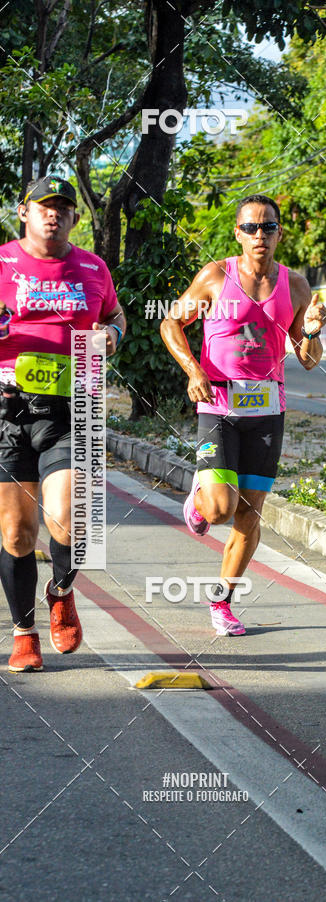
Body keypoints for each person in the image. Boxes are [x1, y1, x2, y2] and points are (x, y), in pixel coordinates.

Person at [160, 193, 326, 636]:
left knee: (249, 515)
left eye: (268, 227)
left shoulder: (295, 286)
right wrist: (193, 369)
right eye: (251, 228)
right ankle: (200, 497)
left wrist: (311, 330)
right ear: (238, 233)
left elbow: (308, 358)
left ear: (278, 233)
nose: (260, 235)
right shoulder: (216, 276)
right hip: (217, 404)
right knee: (220, 509)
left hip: (267, 410)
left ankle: (222, 602)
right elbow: (170, 323)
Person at [0, 175, 126, 672]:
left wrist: (113, 335)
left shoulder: (93, 267)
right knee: (15, 534)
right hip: (8, 407)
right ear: (23, 212)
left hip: (74, 408)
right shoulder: (2, 262)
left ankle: (62, 590)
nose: (53, 214)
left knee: (70, 518)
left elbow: (116, 316)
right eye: (43, 206)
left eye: (63, 207)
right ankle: (24, 632)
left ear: (75, 218)